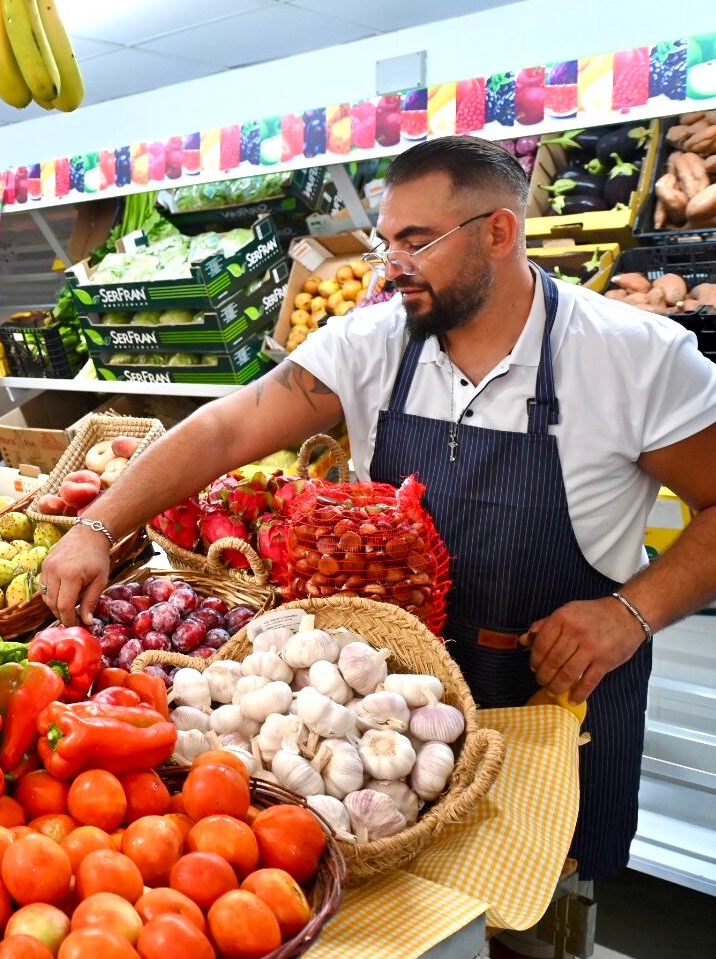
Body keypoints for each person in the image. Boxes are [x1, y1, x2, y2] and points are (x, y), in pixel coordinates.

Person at [40, 135, 716, 889]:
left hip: (554, 703)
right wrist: (98, 524)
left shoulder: (635, 357)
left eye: (416, 242)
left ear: (499, 232)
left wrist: (631, 613)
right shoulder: (374, 344)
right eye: (385, 242)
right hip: (381, 711)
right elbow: (226, 429)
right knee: (405, 907)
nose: (392, 265)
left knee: (540, 901)